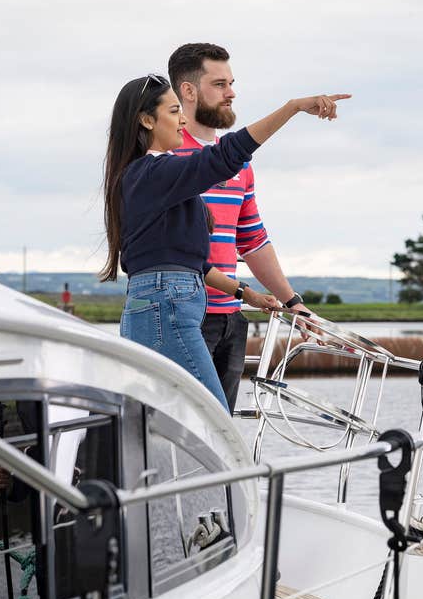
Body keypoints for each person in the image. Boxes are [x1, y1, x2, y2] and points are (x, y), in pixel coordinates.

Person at [99, 72, 349, 410]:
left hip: (163, 302)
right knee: (210, 418)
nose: (183, 120)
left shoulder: (156, 177)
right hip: (166, 306)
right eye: (174, 112)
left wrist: (248, 294)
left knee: (178, 422)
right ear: (146, 120)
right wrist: (291, 108)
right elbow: (224, 157)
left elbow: (195, 265)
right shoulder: (149, 174)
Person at [167, 43, 317, 413]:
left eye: (231, 83)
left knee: (220, 430)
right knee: (180, 428)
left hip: (231, 319)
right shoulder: (164, 156)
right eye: (219, 84)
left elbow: (252, 241)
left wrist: (293, 302)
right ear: (188, 91)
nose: (231, 93)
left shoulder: (240, 166)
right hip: (183, 316)